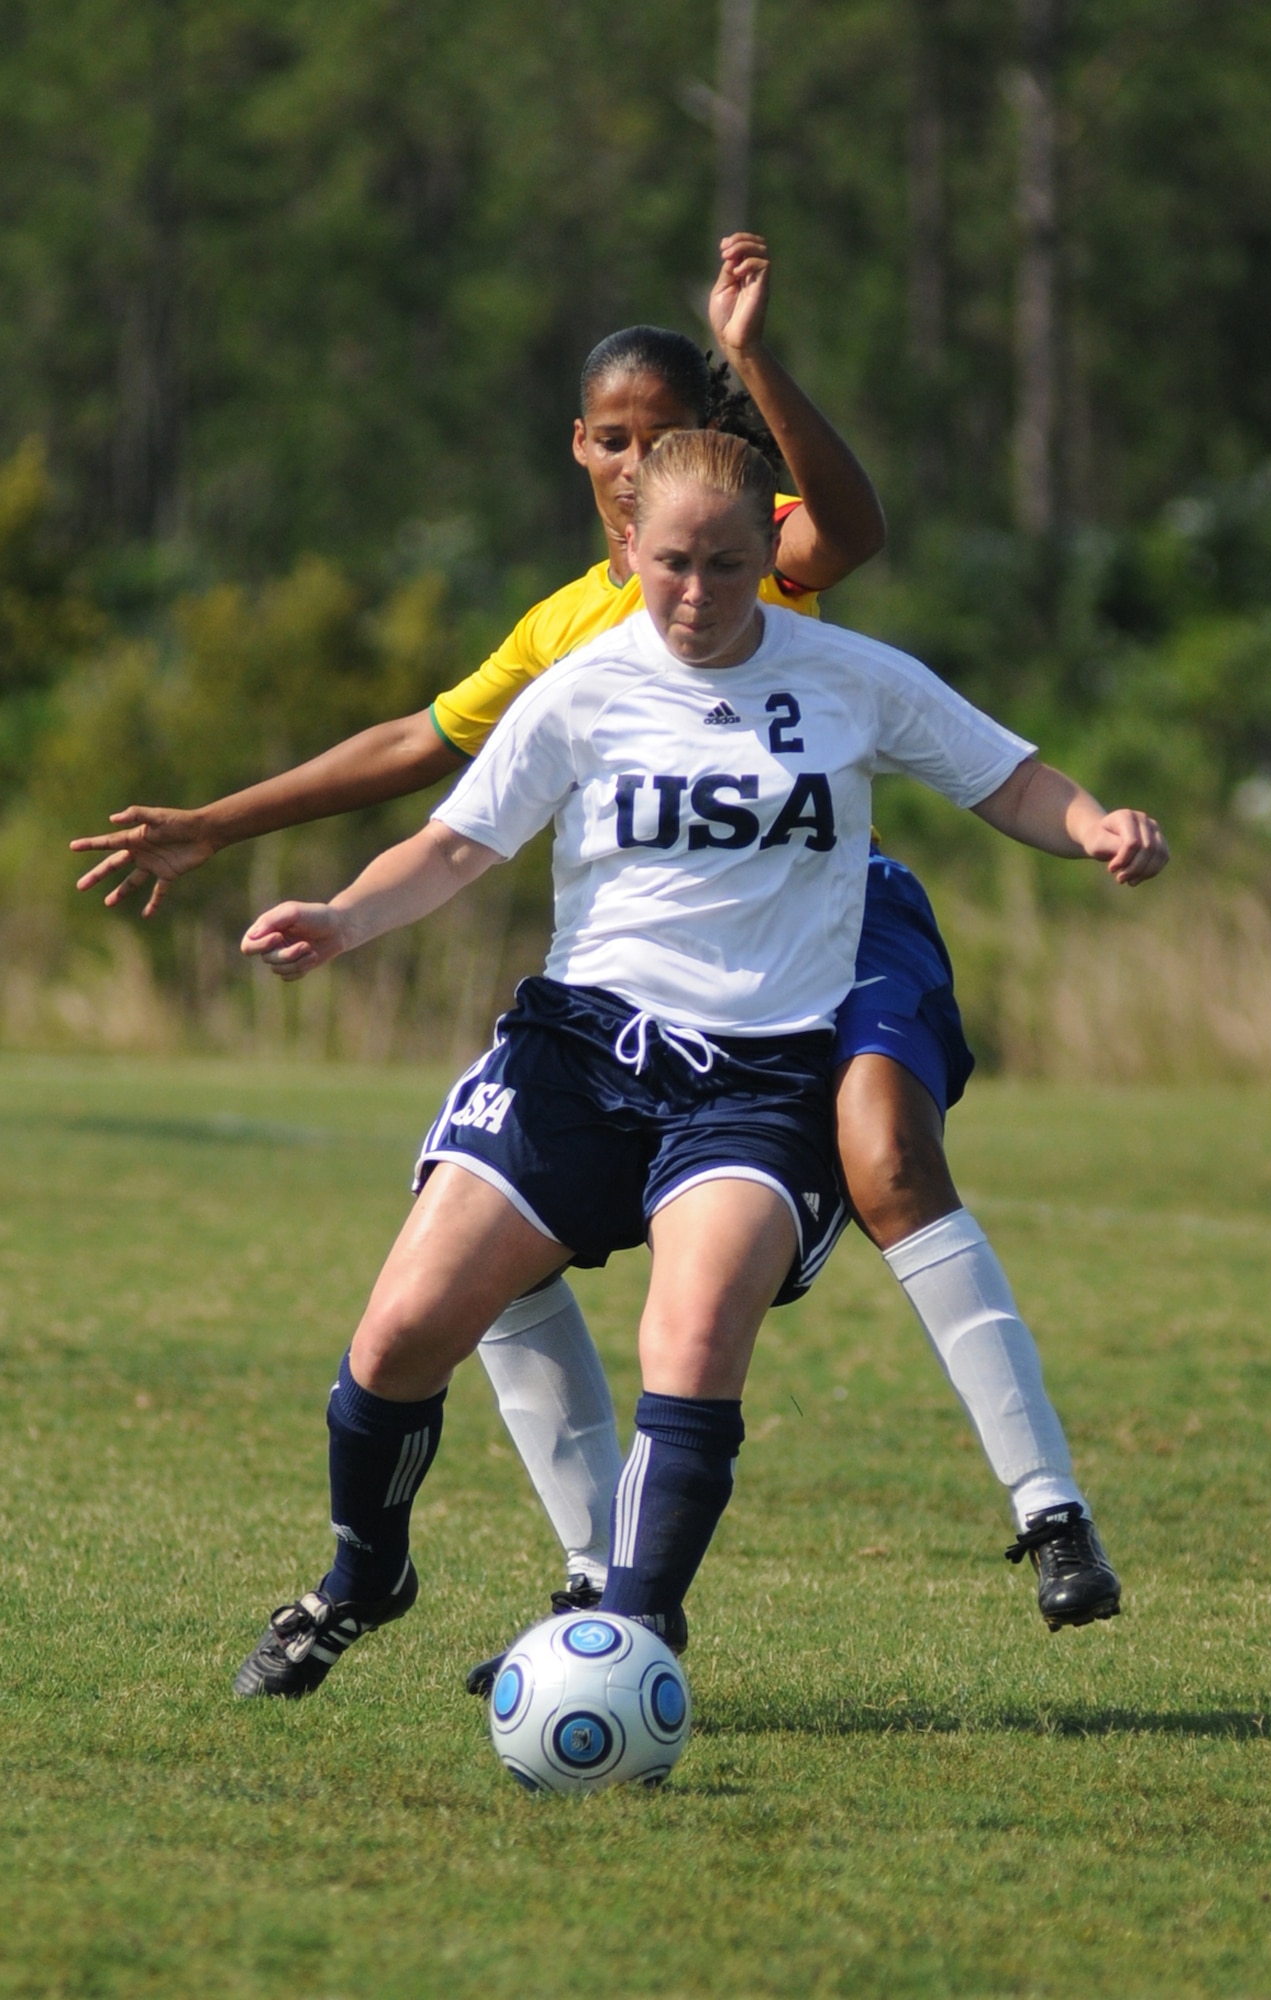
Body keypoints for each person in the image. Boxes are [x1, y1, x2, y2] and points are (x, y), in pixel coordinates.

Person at [74, 237, 1116, 1640]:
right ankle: (554, 1579)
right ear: (592, 476)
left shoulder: (797, 594)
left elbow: (883, 579)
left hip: (819, 940)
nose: (678, 551)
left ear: (744, 506)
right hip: (600, 1026)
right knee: (438, 1295)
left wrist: (1099, 821)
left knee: (877, 1166)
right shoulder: (570, 650)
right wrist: (258, 848)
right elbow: (432, 783)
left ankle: (1022, 1509)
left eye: (670, 459)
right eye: (617, 456)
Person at [232, 431, 1166, 1698]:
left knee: (691, 1341)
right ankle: (363, 1573)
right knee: (399, 1335)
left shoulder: (850, 677)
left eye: (729, 565)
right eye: (670, 562)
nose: (697, 592)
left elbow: (1007, 780)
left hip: (758, 1080)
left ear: (764, 555)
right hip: (579, 1053)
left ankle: (625, 1635)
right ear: (627, 548)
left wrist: (1094, 823)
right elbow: (455, 849)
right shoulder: (578, 687)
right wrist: (342, 918)